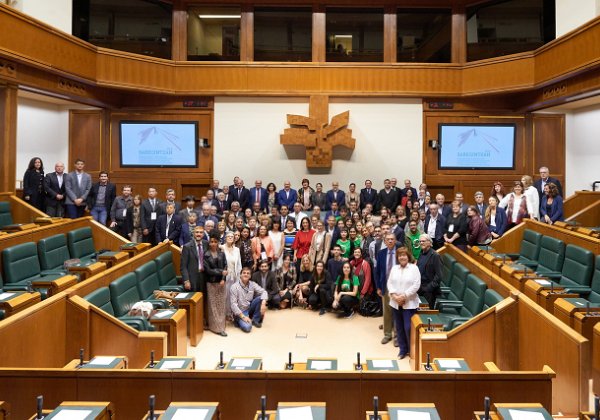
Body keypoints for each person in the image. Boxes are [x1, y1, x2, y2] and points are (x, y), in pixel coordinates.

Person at [387, 247, 421, 359]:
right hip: (395, 302)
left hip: (409, 303)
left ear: (408, 256)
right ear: (397, 257)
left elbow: (416, 285)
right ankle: (402, 350)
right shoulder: (394, 268)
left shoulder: (414, 268)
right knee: (399, 327)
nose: (402, 257)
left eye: (404, 255)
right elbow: (389, 283)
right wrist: (395, 296)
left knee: (408, 327)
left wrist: (404, 296)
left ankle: (412, 350)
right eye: (400, 255)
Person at [181, 226, 208, 324]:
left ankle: (202, 320)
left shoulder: (206, 244)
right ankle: (193, 322)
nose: (199, 234)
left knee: (204, 299)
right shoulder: (187, 246)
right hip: (192, 278)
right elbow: (183, 266)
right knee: (193, 300)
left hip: (204, 277)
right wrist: (186, 280)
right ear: (193, 233)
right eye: (197, 232)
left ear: (203, 234)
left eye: (201, 232)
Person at [376, 233, 399, 344]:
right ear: (384, 241)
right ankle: (387, 334)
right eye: (388, 239)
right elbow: (378, 271)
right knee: (387, 311)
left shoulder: (400, 252)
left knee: (397, 311)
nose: (390, 241)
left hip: (398, 287)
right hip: (385, 285)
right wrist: (379, 287)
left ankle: (397, 337)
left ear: (395, 241)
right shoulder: (380, 253)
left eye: (392, 239)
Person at [204, 234, 228, 337]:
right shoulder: (206, 254)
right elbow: (208, 270)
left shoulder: (222, 253)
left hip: (221, 283)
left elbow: (226, 266)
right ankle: (216, 328)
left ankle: (221, 325)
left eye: (215, 242)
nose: (213, 244)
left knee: (221, 306)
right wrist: (221, 273)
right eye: (211, 242)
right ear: (209, 243)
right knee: (213, 306)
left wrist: (223, 278)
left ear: (218, 243)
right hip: (211, 282)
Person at [230, 266, 268, 332]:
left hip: (249, 308)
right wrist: (243, 317)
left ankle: (255, 320)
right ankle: (238, 320)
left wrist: (263, 303)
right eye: (244, 273)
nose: (246, 274)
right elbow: (233, 305)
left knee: (260, 298)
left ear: (250, 276)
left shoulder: (252, 284)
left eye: (248, 273)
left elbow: (264, 292)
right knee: (247, 328)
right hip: (240, 311)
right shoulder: (234, 287)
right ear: (240, 275)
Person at [417, 234, 442, 308]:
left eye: (423, 241)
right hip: (420, 287)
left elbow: (439, 276)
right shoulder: (421, 253)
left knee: (425, 313)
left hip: (429, 291)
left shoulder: (435, 256)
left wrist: (428, 288)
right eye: (420, 241)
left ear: (429, 242)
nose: (421, 243)